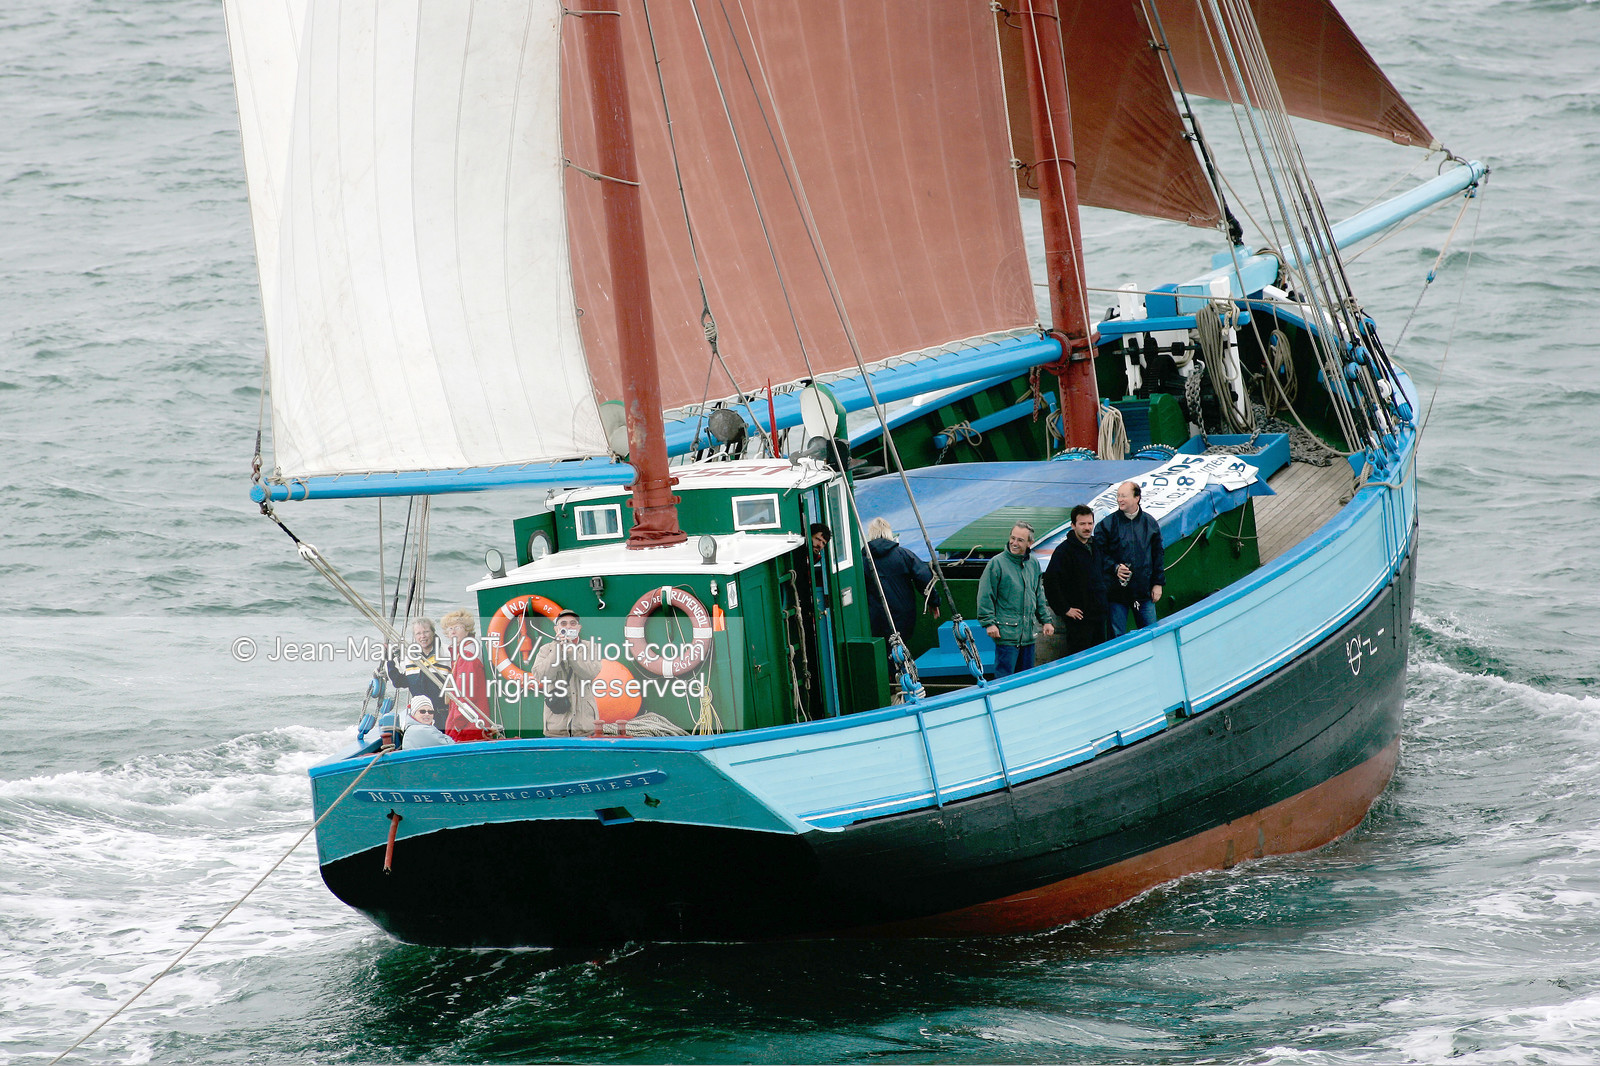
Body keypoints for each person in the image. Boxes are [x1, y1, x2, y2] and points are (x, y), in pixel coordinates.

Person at [976, 522, 1055, 677]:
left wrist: (1046, 620)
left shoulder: (1033, 564)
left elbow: (1038, 594)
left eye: (1020, 540)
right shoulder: (996, 563)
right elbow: (985, 595)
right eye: (1012, 538)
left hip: (1028, 636)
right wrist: (989, 623)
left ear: (1029, 543)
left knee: (1025, 680)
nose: (1014, 543)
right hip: (1006, 636)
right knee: (1004, 679)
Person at [1094, 481, 1165, 637]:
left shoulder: (1150, 523)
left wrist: (1158, 583)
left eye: (1124, 496)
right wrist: (1115, 567)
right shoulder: (1107, 525)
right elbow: (1098, 554)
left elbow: (1158, 554)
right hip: (1117, 594)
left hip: (1143, 592)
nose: (1120, 499)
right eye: (1118, 496)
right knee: (1116, 638)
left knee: (1151, 634)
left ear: (1137, 498)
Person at [863, 517, 940, 650]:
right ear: (889, 533)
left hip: (875, 618)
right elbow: (924, 577)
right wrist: (933, 601)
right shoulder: (904, 555)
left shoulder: (863, 559)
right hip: (903, 615)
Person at [526, 609, 604, 737]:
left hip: (585, 726)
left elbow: (590, 673)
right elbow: (542, 676)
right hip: (556, 726)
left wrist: (571, 653)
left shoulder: (590, 647)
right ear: (556, 629)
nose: (568, 626)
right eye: (563, 624)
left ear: (579, 628)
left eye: (573, 623)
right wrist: (558, 649)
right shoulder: (546, 650)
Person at [1043, 504, 1107, 655]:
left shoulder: (1097, 546)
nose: (1087, 528)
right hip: (1079, 621)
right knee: (1081, 660)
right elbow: (1050, 582)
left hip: (1099, 617)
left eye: (1090, 523)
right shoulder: (1063, 552)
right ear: (1073, 525)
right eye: (1082, 524)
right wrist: (1064, 609)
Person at [439, 608, 497, 742]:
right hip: (471, 721)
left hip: (468, 726)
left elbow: (466, 694)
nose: (452, 631)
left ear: (467, 630)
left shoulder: (467, 655)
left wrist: (457, 724)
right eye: (449, 628)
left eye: (457, 627)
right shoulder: (462, 652)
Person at [385, 617, 447, 710]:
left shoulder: (447, 653)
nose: (422, 636)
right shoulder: (410, 657)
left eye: (426, 632)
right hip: (420, 714)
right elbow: (399, 682)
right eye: (418, 633)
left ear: (433, 632)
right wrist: (389, 660)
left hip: (444, 713)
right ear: (414, 636)